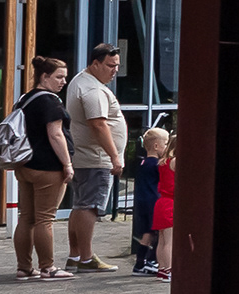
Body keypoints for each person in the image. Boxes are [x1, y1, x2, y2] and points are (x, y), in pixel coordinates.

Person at [61, 43, 130, 274]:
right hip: (95, 158)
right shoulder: (92, 90)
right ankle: (86, 257)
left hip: (85, 156)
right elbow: (98, 124)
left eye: (118, 66)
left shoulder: (82, 82)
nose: (114, 71)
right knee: (88, 207)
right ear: (95, 63)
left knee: (80, 205)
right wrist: (114, 157)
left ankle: (75, 256)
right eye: (110, 65)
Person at [12, 60, 71, 279]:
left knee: (26, 218)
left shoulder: (25, 99)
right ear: (44, 76)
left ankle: (24, 267)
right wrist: (67, 164)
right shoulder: (50, 102)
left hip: (25, 164)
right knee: (45, 219)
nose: (63, 82)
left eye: (65, 77)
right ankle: (48, 267)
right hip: (48, 167)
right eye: (59, 77)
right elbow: (55, 134)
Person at [137, 126, 176, 281]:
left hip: (156, 203)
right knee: (169, 240)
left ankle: (159, 267)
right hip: (165, 203)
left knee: (159, 237)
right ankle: (169, 269)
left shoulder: (152, 163)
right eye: (164, 143)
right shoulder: (167, 163)